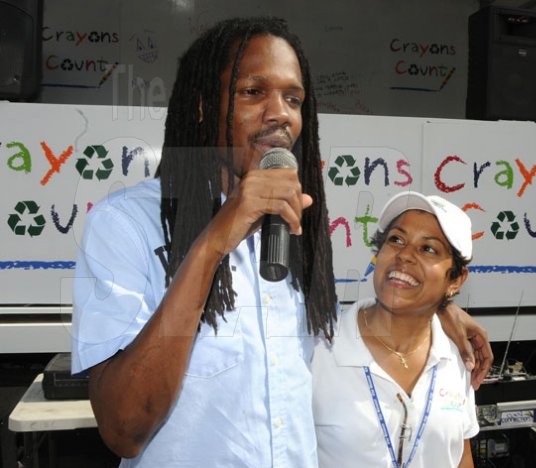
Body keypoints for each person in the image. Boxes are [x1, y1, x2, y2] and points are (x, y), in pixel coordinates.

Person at [71, 17, 491, 467]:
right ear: (202, 106)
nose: (280, 113)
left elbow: (342, 335)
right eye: (253, 92)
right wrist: (214, 242)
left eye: (293, 98)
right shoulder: (126, 225)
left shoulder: (295, 233)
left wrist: (437, 307)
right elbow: (124, 429)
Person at [312, 191, 480, 468]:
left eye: (428, 248)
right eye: (396, 240)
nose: (404, 255)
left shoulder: (455, 357)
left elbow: (461, 456)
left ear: (456, 279)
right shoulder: (320, 349)